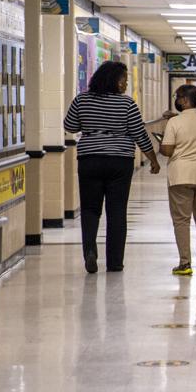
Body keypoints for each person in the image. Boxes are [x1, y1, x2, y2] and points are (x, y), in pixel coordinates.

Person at [63, 60, 160, 274]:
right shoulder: (127, 104)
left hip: (89, 159)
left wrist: (89, 125)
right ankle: (115, 262)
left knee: (89, 209)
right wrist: (152, 158)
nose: (125, 84)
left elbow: (69, 125)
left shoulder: (82, 100)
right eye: (123, 80)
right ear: (113, 80)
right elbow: (139, 134)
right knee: (116, 211)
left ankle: (90, 251)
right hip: (119, 161)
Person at [159, 84, 196, 275]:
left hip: (181, 175)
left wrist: (161, 140)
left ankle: (185, 263)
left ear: (183, 100)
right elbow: (192, 123)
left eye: (177, 97)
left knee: (182, 220)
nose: (176, 100)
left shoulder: (174, 123)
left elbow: (167, 150)